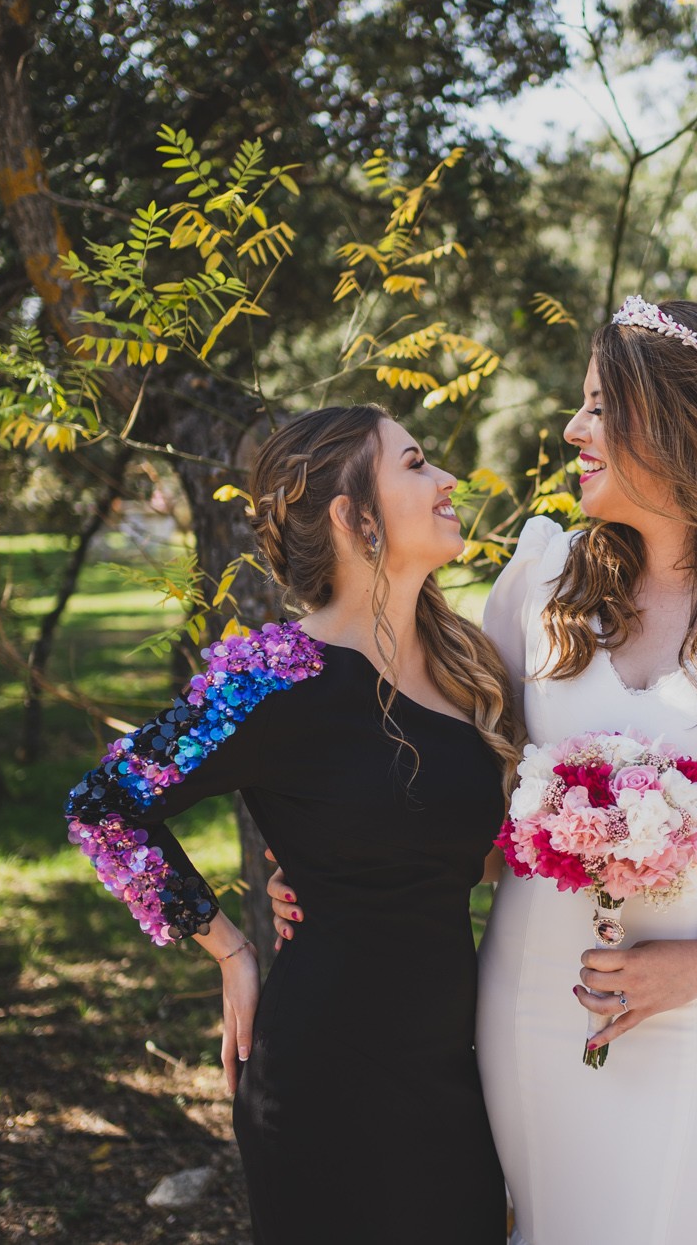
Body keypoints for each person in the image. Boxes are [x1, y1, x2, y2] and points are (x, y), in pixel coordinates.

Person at [269, 299, 697, 1243]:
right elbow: (463, 785)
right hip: (529, 998)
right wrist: (344, 863)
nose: (574, 429)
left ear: (681, 422)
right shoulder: (544, 578)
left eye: (602, 406)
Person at [63, 405, 517, 1243]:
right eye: (415, 463)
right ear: (353, 515)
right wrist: (230, 948)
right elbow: (103, 804)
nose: (447, 479)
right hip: (324, 1080)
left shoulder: (469, 666)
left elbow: (464, 855)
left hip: (456, 1075)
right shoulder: (269, 678)